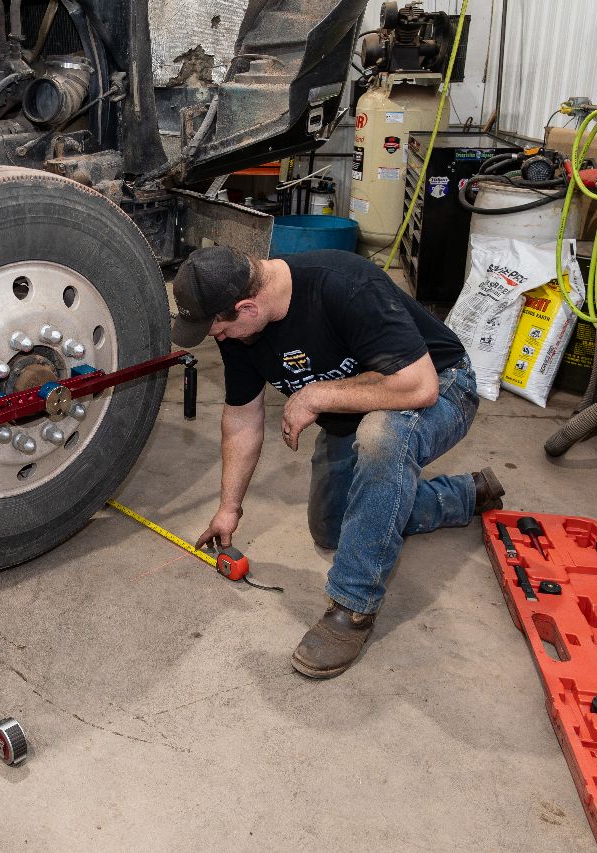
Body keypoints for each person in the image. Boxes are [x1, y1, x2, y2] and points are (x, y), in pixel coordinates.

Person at [171, 245, 505, 679]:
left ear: (247, 307)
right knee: (332, 528)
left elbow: (418, 387)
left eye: (218, 329)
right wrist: (228, 509)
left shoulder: (343, 286)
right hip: (357, 408)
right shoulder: (242, 330)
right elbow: (241, 418)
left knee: (383, 435)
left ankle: (353, 609)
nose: (219, 338)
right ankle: (461, 495)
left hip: (441, 386)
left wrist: (316, 395)